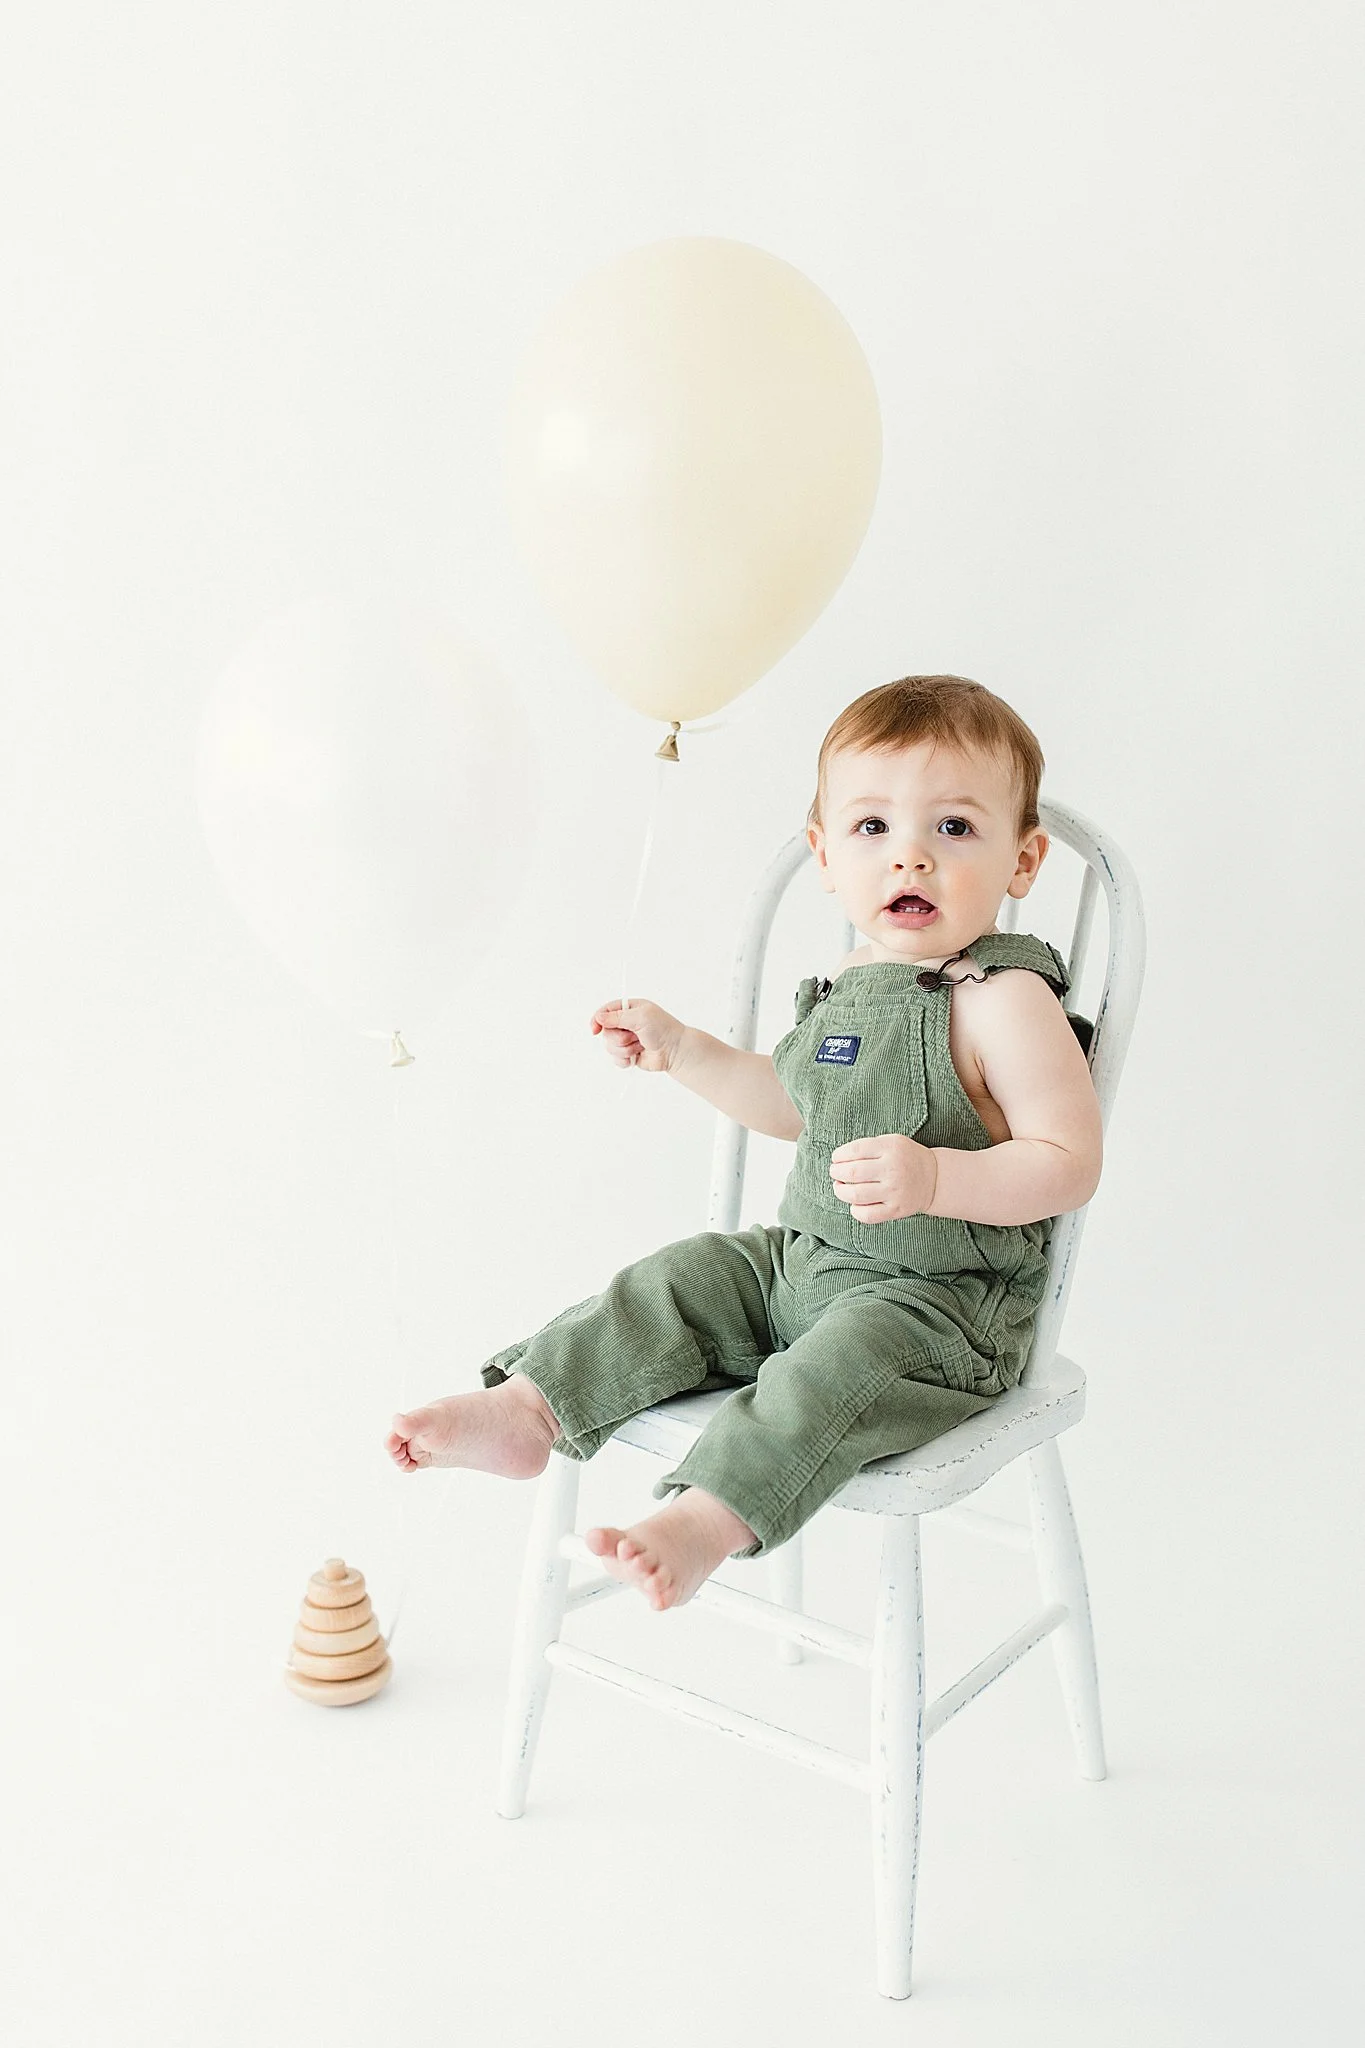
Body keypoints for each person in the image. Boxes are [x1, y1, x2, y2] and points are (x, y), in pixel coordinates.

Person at [385, 674, 1102, 1613]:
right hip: (798, 1267)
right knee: (675, 1280)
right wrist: (686, 1052)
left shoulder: (1005, 999)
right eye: (872, 829)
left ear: (1023, 859)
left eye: (955, 829)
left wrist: (938, 1175)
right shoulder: (851, 981)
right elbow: (792, 1102)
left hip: (939, 1311)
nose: (911, 859)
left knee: (830, 1372)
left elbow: (1065, 1162)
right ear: (824, 853)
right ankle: (531, 1407)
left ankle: (706, 1517)